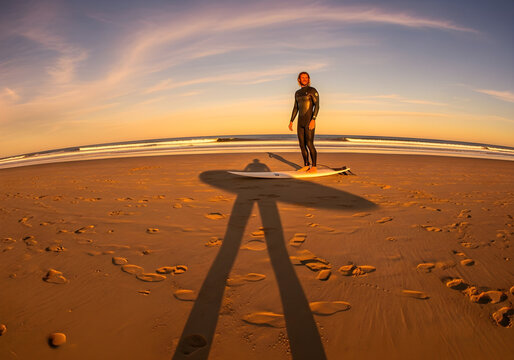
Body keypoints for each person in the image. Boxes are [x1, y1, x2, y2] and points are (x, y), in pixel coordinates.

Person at [289, 71, 319, 173]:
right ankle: (306, 165)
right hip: (300, 122)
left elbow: (317, 106)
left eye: (306, 77)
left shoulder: (312, 90)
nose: (304, 79)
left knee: (310, 144)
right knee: (302, 145)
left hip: (309, 121)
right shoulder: (297, 93)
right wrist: (291, 121)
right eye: (302, 77)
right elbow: (295, 107)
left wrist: (313, 119)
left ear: (309, 79)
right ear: (299, 80)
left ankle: (314, 166)